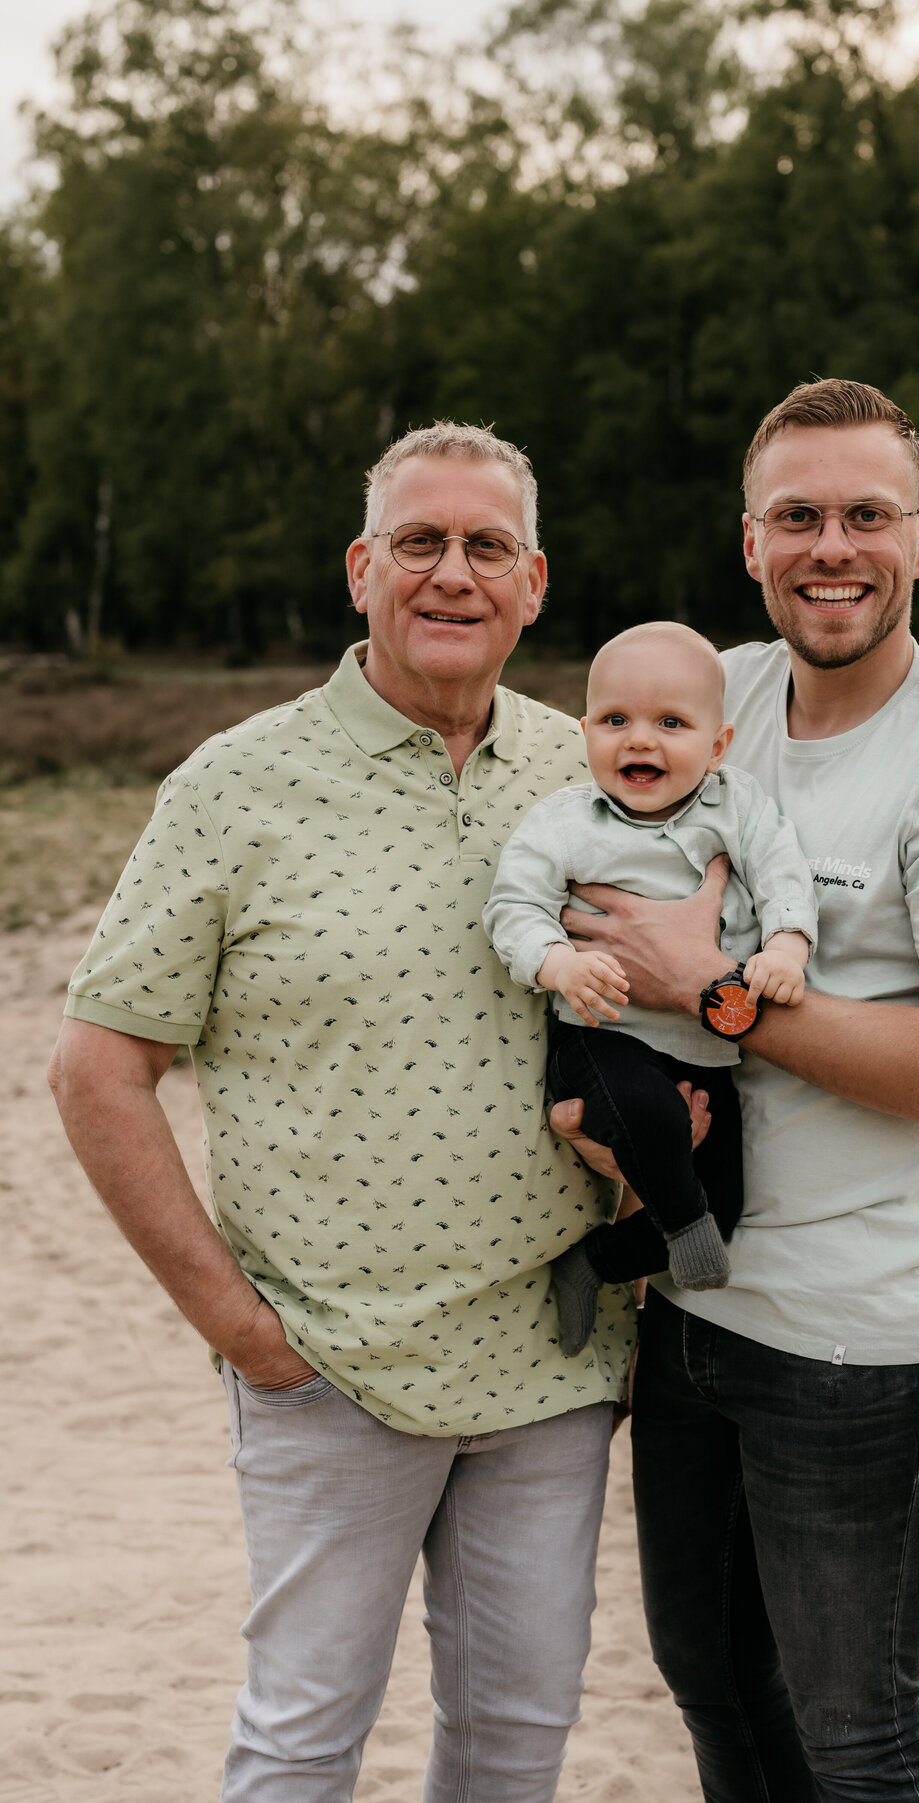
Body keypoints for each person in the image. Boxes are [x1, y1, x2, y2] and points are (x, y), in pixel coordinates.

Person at [47, 423, 640, 1803]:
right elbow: (97, 1067)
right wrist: (244, 1333)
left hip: (554, 1366)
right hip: (327, 1369)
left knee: (515, 1740)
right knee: (302, 1743)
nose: (453, 572)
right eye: (420, 542)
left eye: (486, 545)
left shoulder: (594, 773)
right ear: (362, 569)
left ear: (535, 582)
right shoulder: (235, 785)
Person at [550, 378, 919, 1801]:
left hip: (867, 1340)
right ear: (749, 542)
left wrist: (707, 994)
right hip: (696, 1302)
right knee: (712, 1680)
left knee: (857, 1730)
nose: (830, 544)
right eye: (799, 515)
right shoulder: (708, 704)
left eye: (865, 514)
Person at [484, 620, 817, 1355]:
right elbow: (513, 906)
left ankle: (593, 1261)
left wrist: (786, 946)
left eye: (671, 722)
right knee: (650, 1117)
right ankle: (684, 1225)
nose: (640, 739)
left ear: (718, 745)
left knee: (721, 1208)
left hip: (708, 1046)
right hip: (603, 1033)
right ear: (586, 733)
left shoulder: (739, 807)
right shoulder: (565, 821)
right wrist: (558, 963)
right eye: (615, 720)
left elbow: (784, 874)